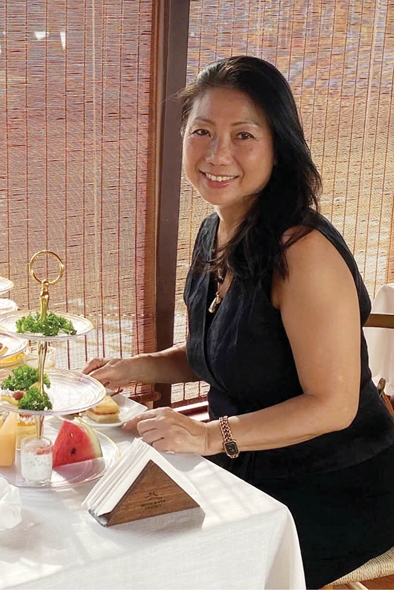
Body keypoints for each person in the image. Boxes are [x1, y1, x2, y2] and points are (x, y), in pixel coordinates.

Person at [84, 55, 394, 588]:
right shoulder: (216, 230)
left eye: (243, 135)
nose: (217, 153)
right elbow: (224, 353)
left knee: (184, 573)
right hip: (244, 463)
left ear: (280, 147)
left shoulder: (303, 252)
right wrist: (131, 367)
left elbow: (334, 405)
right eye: (201, 131)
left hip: (335, 485)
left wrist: (208, 437)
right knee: (113, 537)